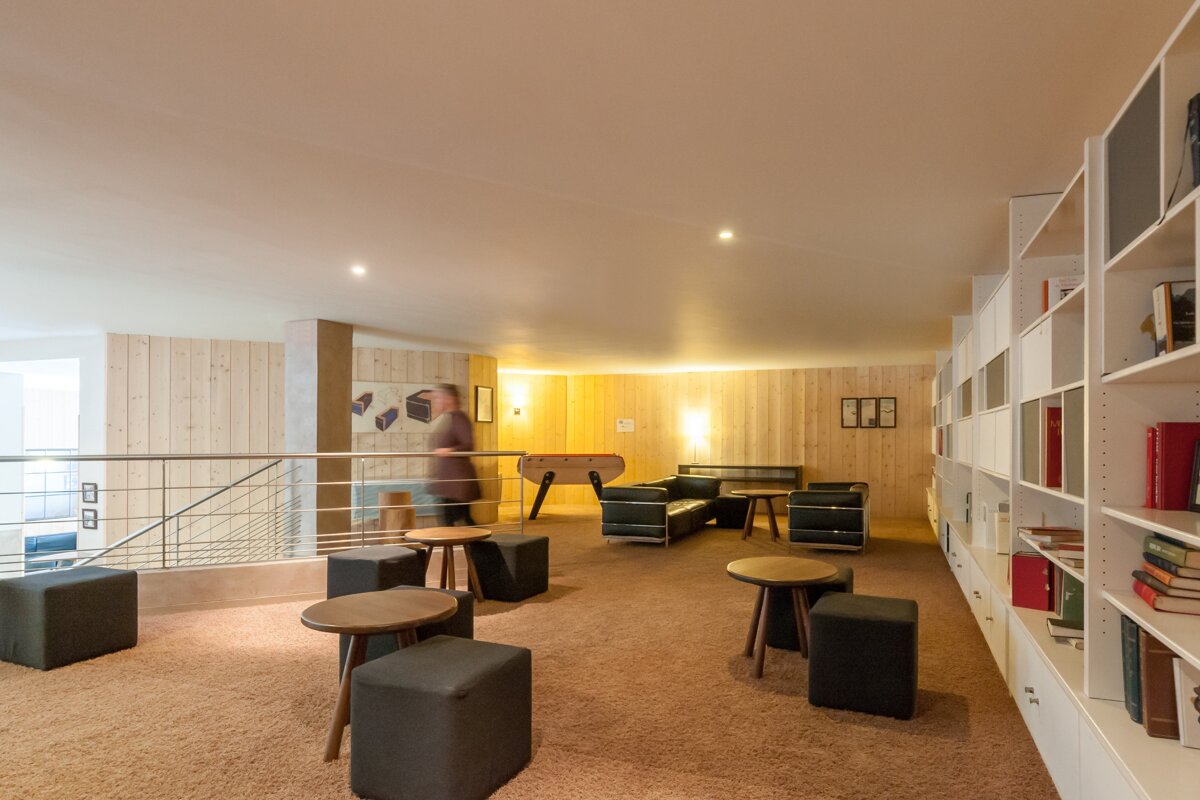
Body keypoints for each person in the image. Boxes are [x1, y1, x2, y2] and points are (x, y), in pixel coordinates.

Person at [431, 384, 481, 526]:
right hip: (450, 483)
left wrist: (449, 451)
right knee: (458, 523)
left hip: (457, 484)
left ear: (449, 399)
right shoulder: (451, 418)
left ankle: (484, 547)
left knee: (459, 524)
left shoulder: (459, 417)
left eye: (437, 397)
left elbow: (468, 444)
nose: (435, 401)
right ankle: (482, 547)